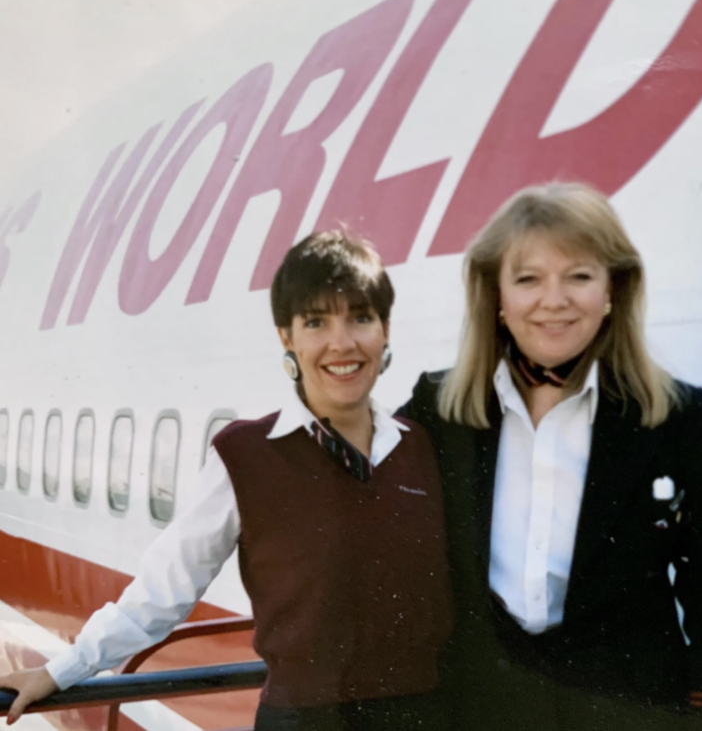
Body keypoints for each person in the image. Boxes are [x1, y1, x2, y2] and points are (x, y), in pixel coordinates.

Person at [0, 232, 452, 731]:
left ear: (385, 329)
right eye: (316, 321)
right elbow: (161, 592)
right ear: (287, 336)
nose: (341, 343)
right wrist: (60, 672)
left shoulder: (419, 446)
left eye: (361, 318)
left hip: (425, 717)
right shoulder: (246, 454)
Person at [399, 183, 702, 731]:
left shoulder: (676, 416)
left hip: (628, 712)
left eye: (579, 276)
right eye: (528, 279)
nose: (554, 299)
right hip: (476, 711)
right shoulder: (438, 408)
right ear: (496, 296)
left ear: (613, 289)